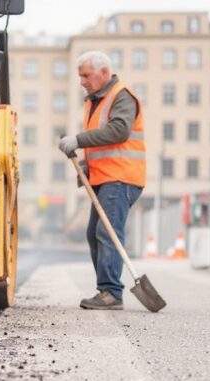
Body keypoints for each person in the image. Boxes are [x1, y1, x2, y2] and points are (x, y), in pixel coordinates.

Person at [58, 51, 146, 310]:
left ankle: (111, 292)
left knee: (107, 233)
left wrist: (78, 140)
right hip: (107, 176)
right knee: (95, 234)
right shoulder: (95, 100)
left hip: (121, 177)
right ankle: (106, 290)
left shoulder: (121, 96)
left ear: (104, 72)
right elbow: (103, 143)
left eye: (86, 75)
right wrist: (87, 163)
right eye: (80, 76)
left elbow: (119, 131)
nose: (82, 81)